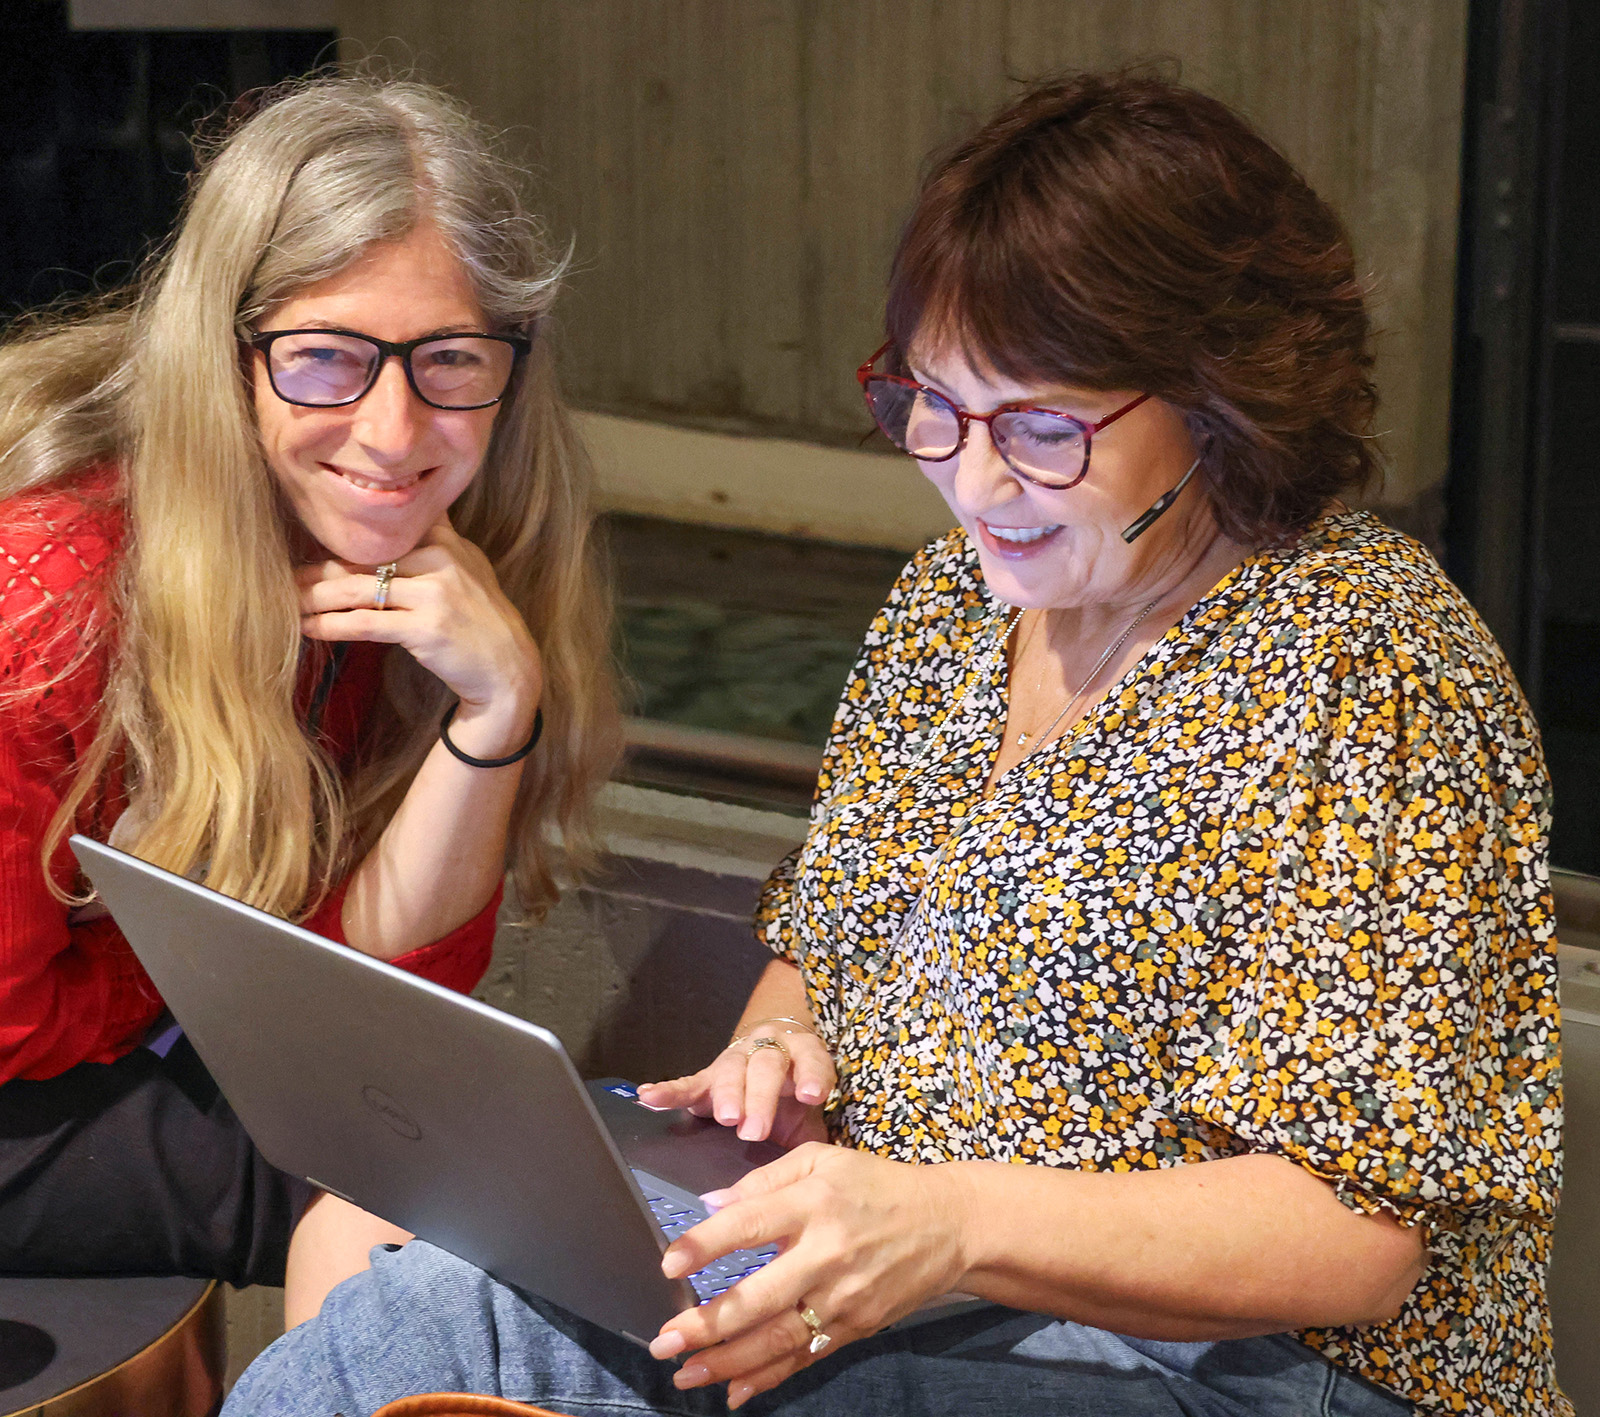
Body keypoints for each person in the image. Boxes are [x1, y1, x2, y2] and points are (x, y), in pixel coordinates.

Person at [228, 70, 1567, 1417]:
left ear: (1219, 399)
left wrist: (950, 1221)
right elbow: (825, 950)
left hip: (1260, 1370)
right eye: (932, 406)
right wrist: (776, 1062)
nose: (973, 481)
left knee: (482, 1334)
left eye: (1041, 429)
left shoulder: (1368, 672)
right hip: (919, 1254)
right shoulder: (951, 607)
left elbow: (1356, 1238)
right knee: (383, 1242)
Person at [0, 74, 619, 1313]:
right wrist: (252, 941)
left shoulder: (437, 551)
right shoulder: (46, 572)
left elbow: (394, 989)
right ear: (225, 356)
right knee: (411, 1192)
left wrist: (492, 712)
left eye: (452, 358)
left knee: (459, 1148)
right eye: (326, 360)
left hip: (55, 1030)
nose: (394, 428)